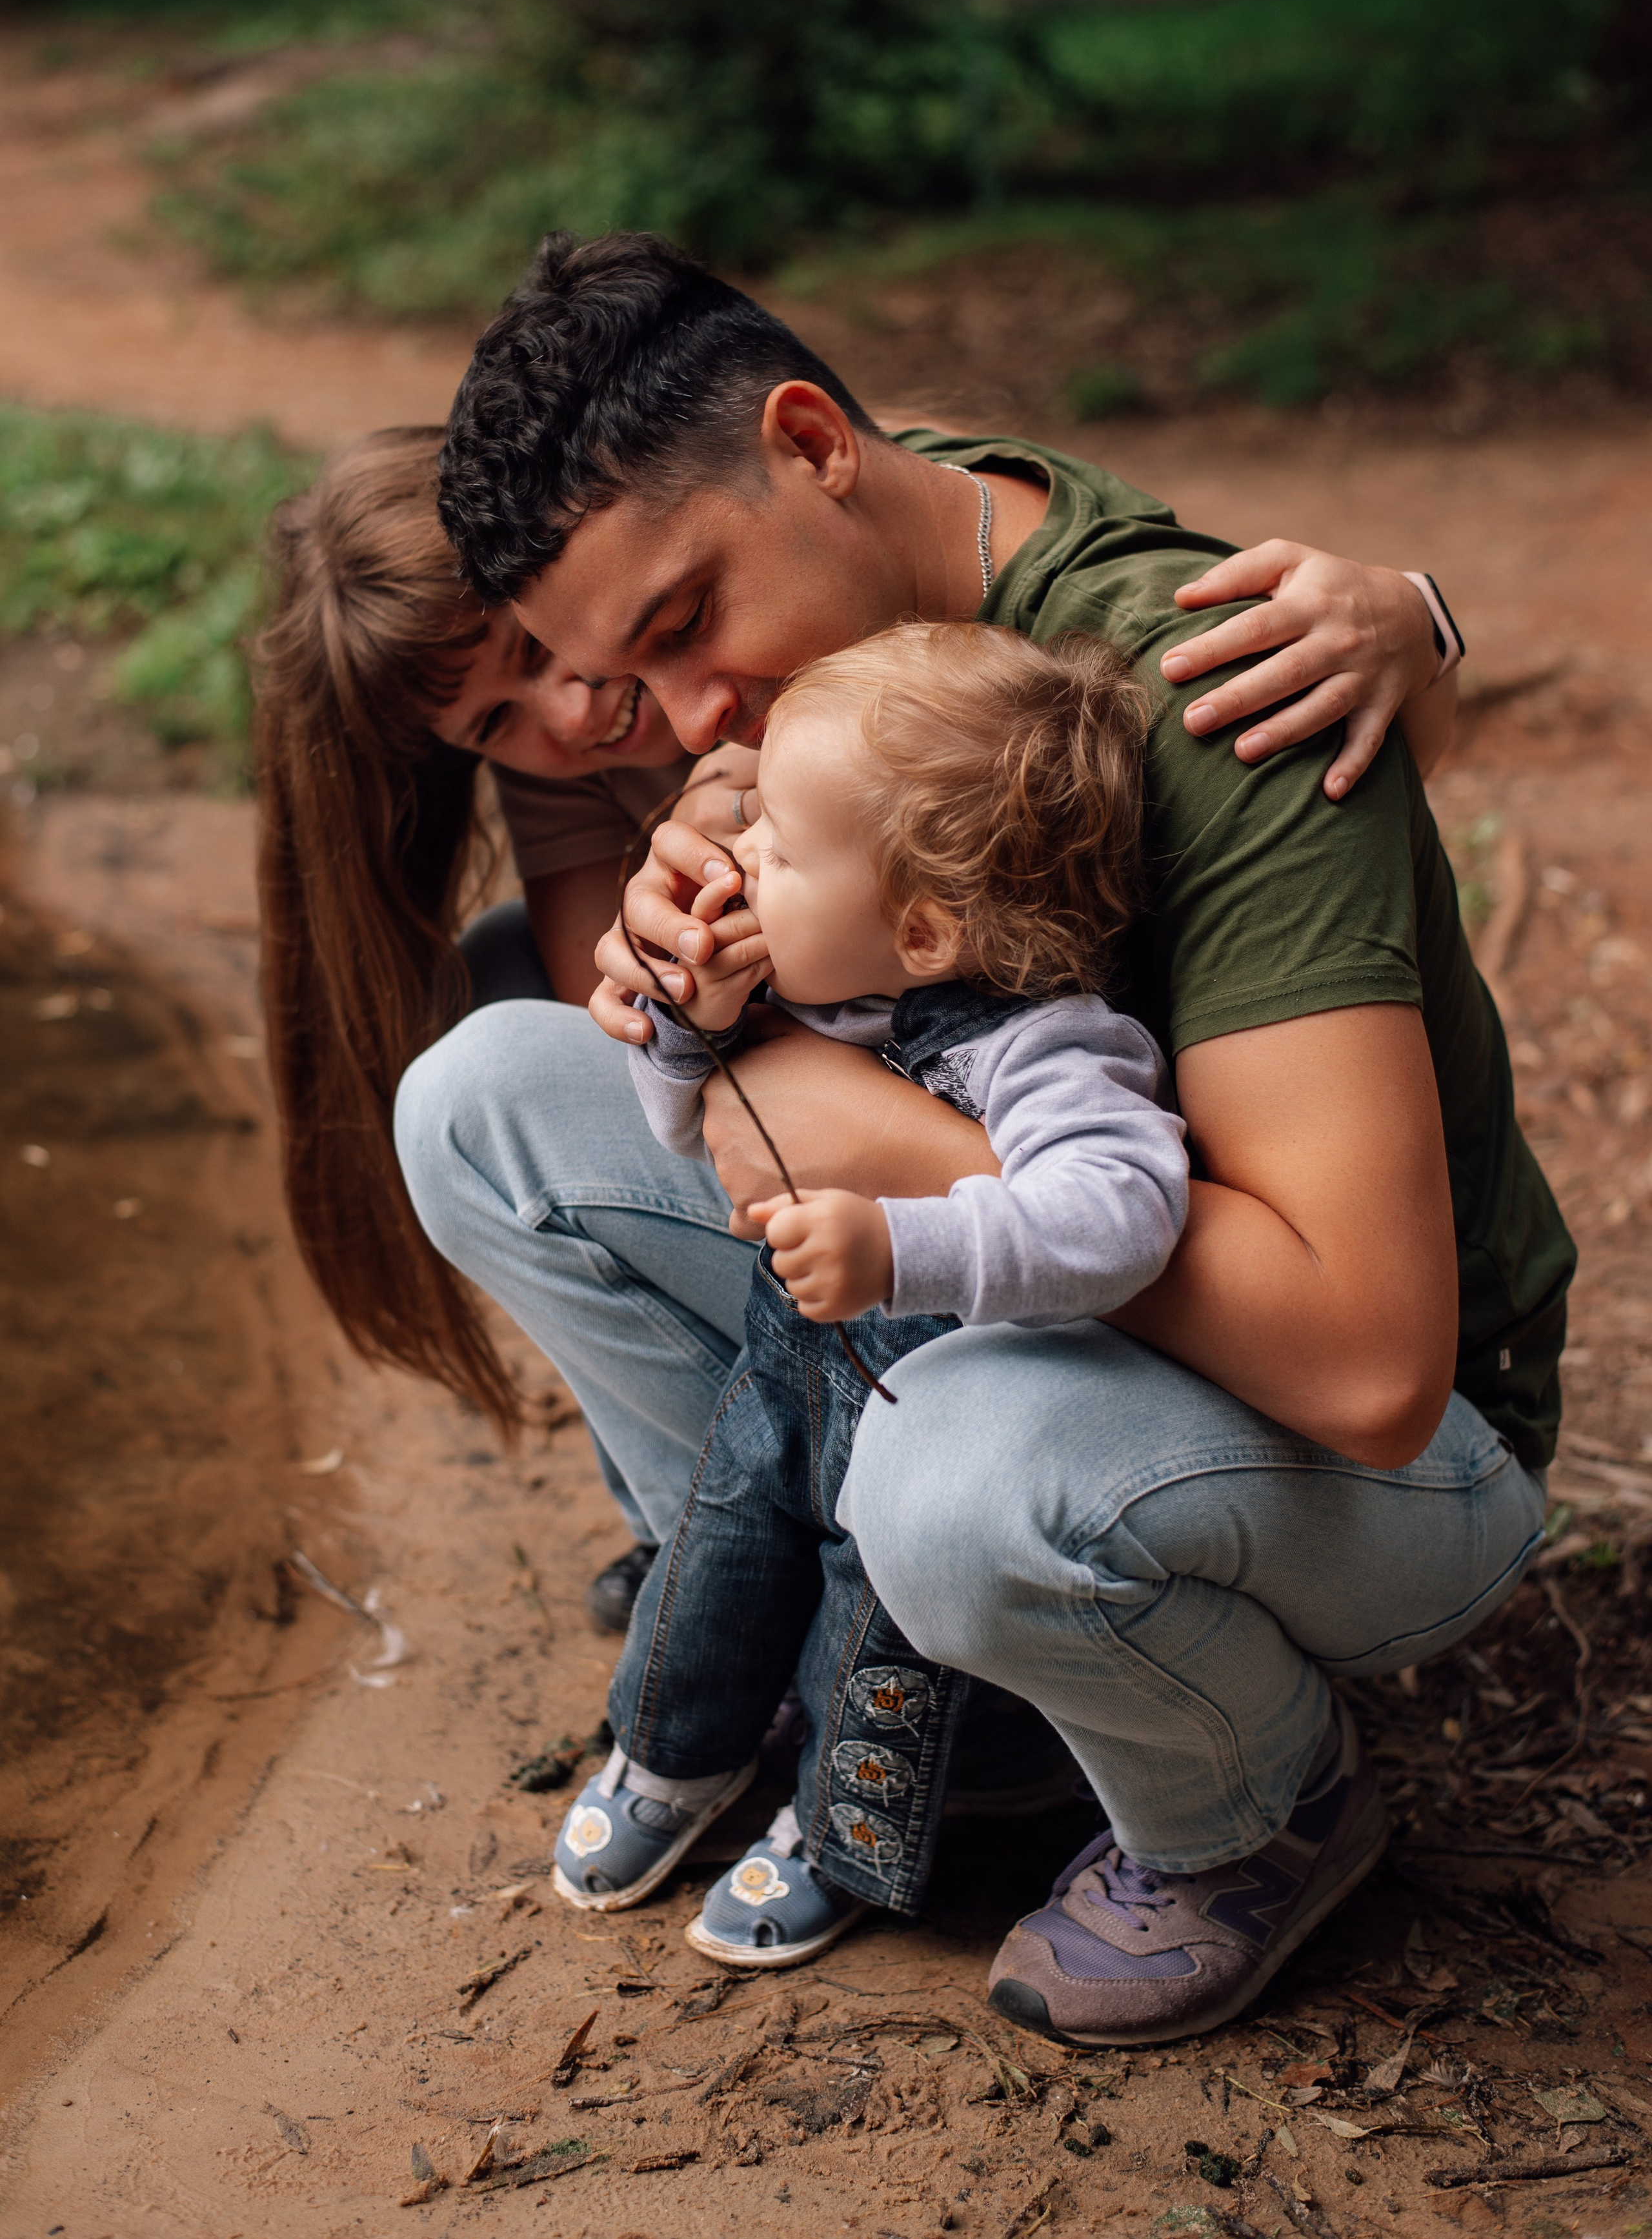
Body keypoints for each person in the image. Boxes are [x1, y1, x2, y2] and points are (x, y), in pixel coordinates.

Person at [398, 228, 1575, 2047]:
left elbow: (1369, 1366)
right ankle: (853, 1671)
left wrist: (828, 1106)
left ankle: (1251, 1806)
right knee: (482, 1102)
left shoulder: (1207, 683)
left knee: (949, 1470)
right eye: (634, 684)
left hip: (1396, 1466)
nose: (695, 721)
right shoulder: (877, 579)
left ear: (810, 444)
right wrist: (709, 969)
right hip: (1038, 1310)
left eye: (688, 625)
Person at [550, 622, 1189, 1969]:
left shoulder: (1050, 1045)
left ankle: (833, 1833)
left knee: (873, 1625)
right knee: (720, 1542)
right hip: (788, 1380)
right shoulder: (838, 995)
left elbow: (1124, 1212)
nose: (741, 859)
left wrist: (905, 1245)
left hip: (938, 1414)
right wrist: (692, 1026)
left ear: (917, 924)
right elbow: (681, 1131)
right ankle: (672, 1752)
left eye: (779, 846)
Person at [256, 423, 745, 1626]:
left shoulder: (730, 603)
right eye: (493, 724)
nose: (568, 713)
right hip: (749, 1061)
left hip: (924, 1112)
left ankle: (751, 1559)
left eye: (536, 644)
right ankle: (685, 1518)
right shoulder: (562, 756)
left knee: (484, 1095)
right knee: (494, 979)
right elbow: (612, 998)